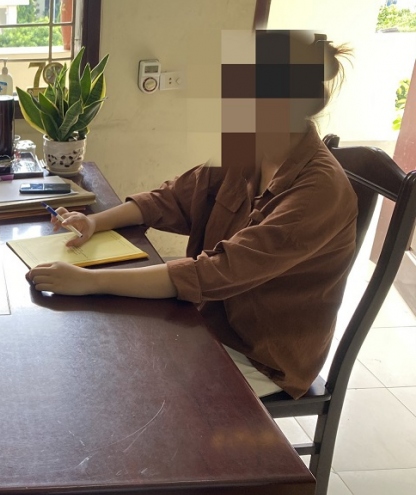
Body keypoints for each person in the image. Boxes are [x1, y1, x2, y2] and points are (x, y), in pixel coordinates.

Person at [26, 30, 355, 399]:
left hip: (260, 355)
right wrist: (94, 222)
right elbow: (173, 198)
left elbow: (216, 271)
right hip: (207, 316)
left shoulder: (318, 192)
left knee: (133, 390)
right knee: (106, 354)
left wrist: (90, 281)